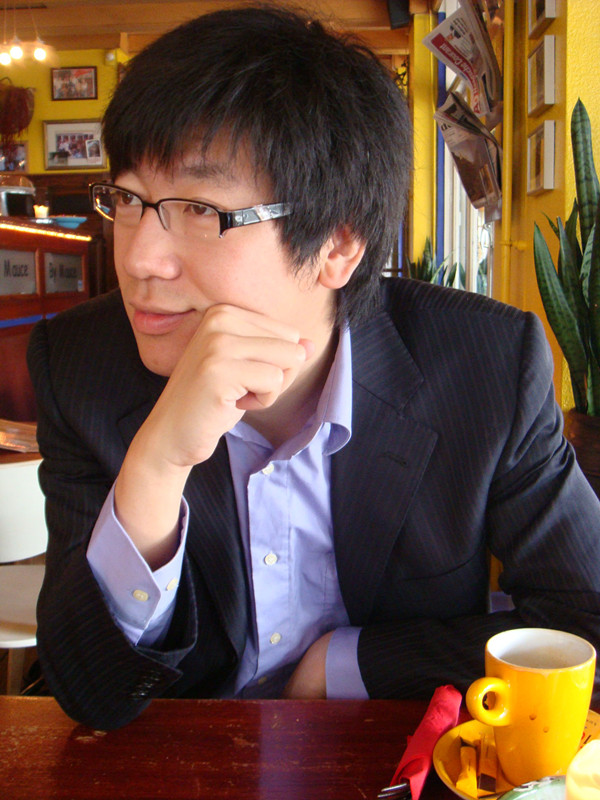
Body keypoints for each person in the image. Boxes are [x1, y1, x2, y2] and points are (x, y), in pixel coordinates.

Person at [27, 4, 600, 731]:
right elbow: (87, 694)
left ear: (337, 245)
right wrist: (158, 465)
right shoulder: (81, 365)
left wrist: (344, 666)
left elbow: (586, 623)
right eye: (129, 200)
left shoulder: (483, 365)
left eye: (200, 210)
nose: (139, 258)